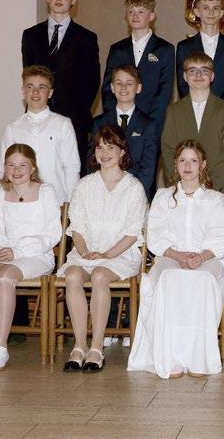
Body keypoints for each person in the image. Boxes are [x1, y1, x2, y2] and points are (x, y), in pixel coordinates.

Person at [127, 140, 224, 378]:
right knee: (167, 277)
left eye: (193, 161)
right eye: (183, 160)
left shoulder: (215, 198)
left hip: (207, 257)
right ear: (175, 164)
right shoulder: (163, 197)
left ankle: (198, 357)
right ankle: (171, 356)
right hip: (171, 255)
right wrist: (177, 255)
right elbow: (156, 234)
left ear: (203, 165)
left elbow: (222, 236)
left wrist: (201, 256)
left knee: (203, 279)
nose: (188, 166)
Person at [57, 125, 147, 373]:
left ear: (122, 152)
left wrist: (106, 255)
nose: (104, 153)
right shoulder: (84, 185)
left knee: (99, 276)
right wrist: (85, 252)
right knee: (73, 275)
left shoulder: (133, 187)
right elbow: (77, 228)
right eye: (100, 147)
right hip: (86, 251)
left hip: (120, 254)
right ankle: (79, 345)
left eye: (111, 147)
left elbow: (132, 233)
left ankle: (97, 347)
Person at [0, 145, 62, 372]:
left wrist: (18, 251)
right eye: (11, 165)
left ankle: (1, 346)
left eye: (22, 165)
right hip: (5, 251)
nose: (16, 170)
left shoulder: (46, 191)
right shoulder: (0, 191)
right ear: (5, 167)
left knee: (5, 277)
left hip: (36, 254)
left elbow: (52, 233)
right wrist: (1, 248)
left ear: (33, 168)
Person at [21, 0, 100, 172]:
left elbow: (92, 81)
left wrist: (78, 111)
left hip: (74, 118)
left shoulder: (87, 38)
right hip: (38, 113)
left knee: (71, 170)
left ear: (74, 0)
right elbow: (29, 74)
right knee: (35, 168)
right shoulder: (30, 35)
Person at [0, 65, 80, 204]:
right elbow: (3, 168)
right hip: (21, 202)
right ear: (23, 91)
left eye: (42, 87)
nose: (35, 92)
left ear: (50, 93)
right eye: (30, 87)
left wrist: (72, 204)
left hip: (56, 201)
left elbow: (72, 167)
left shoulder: (63, 124)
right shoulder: (13, 128)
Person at [162, 52, 224, 196]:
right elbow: (168, 151)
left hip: (215, 189)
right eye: (192, 70)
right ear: (185, 76)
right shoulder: (173, 110)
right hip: (182, 191)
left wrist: (208, 189)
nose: (198, 75)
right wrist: (183, 187)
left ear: (212, 76)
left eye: (204, 70)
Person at [101, 0, 175, 135]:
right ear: (126, 16)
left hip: (151, 122)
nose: (135, 16)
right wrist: (114, 118)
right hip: (119, 122)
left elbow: (164, 91)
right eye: (131, 11)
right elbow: (107, 88)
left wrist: (150, 123)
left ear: (151, 16)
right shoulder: (117, 49)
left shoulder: (165, 49)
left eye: (140, 11)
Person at [89, 65, 158, 200]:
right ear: (112, 87)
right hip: (104, 195)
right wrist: (106, 192)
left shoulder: (149, 124)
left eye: (129, 83)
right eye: (119, 83)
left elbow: (148, 169)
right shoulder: (99, 123)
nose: (123, 87)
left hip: (136, 196)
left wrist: (128, 195)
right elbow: (91, 163)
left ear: (138, 88)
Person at [176, 0, 224, 105]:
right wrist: (197, 107)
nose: (211, 13)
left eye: (215, 8)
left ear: (221, 13)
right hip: (193, 109)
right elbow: (183, 83)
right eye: (206, 8)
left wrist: (220, 109)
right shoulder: (184, 47)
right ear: (197, 12)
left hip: (223, 110)